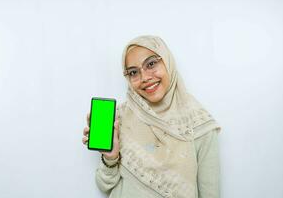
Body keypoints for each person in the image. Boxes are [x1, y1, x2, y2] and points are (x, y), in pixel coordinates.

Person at [82, 35, 221, 198]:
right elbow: (105, 185)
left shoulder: (198, 124)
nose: (145, 78)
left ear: (167, 61)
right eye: (133, 72)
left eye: (151, 64)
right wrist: (110, 157)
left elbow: (210, 193)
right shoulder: (120, 118)